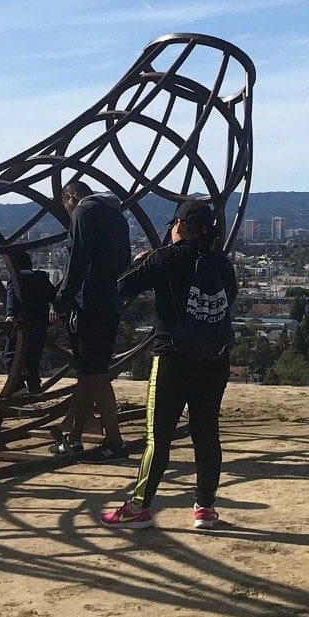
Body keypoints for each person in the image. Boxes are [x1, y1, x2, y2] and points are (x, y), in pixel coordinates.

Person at [102, 197, 237, 531]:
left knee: (157, 438)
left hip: (172, 359)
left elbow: (121, 286)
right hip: (215, 361)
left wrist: (141, 263)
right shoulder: (222, 264)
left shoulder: (165, 259)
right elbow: (229, 297)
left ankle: (139, 507)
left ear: (182, 226)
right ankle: (205, 508)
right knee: (206, 435)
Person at [52, 179, 130, 458]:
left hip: (89, 305)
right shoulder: (117, 215)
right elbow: (124, 262)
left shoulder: (84, 213)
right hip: (110, 303)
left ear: (71, 197)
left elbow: (78, 261)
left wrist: (61, 300)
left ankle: (116, 442)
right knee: (90, 374)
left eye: (66, 208)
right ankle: (72, 437)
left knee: (94, 375)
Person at [2, 248, 55, 394]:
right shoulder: (41, 278)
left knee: (11, 356)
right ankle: (34, 385)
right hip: (40, 325)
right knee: (33, 358)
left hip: (22, 324)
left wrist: (10, 314)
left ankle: (18, 386)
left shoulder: (16, 277)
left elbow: (12, 296)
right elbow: (54, 296)